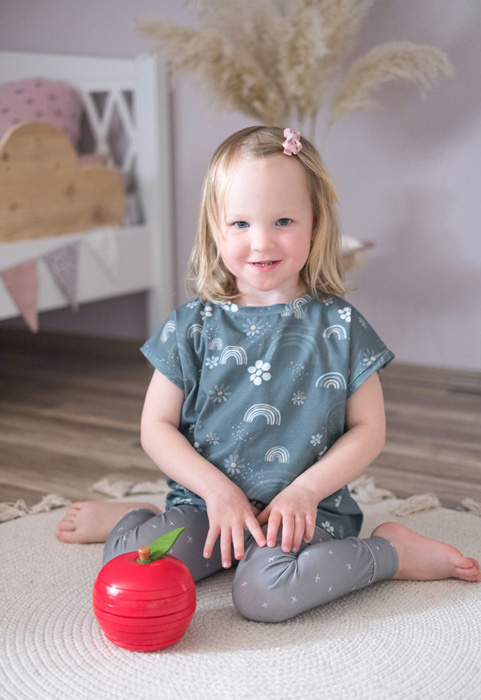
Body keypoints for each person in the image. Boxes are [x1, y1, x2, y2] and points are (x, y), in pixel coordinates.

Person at [57, 126, 480, 622]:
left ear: (315, 224)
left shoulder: (341, 326)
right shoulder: (192, 326)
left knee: (264, 595)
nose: (261, 241)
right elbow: (156, 426)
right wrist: (216, 492)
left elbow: (370, 430)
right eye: (240, 223)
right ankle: (139, 516)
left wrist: (305, 492)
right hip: (207, 506)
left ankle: (393, 554)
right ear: (214, 230)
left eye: (283, 220)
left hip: (305, 510)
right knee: (128, 561)